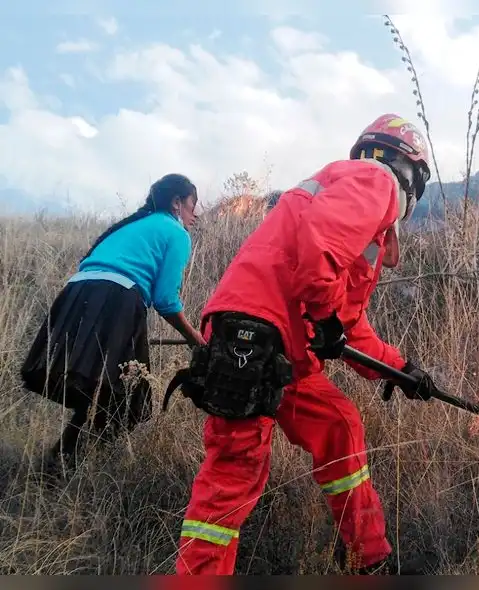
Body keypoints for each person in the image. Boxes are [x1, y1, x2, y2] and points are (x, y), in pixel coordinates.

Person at [167, 113, 437, 575]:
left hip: (282, 347)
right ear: (410, 171)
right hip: (254, 336)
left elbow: (348, 322)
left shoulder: (352, 197)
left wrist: (401, 369)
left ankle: (368, 556)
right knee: (235, 472)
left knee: (338, 423)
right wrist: (323, 316)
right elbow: (320, 254)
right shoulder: (376, 180)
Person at [20, 173, 206, 473]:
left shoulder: (132, 225)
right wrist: (194, 337)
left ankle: (59, 463)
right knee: (128, 397)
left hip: (76, 294)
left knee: (101, 388)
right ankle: (70, 466)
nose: (195, 215)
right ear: (176, 203)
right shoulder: (176, 232)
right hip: (116, 299)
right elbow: (165, 299)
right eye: (193, 205)